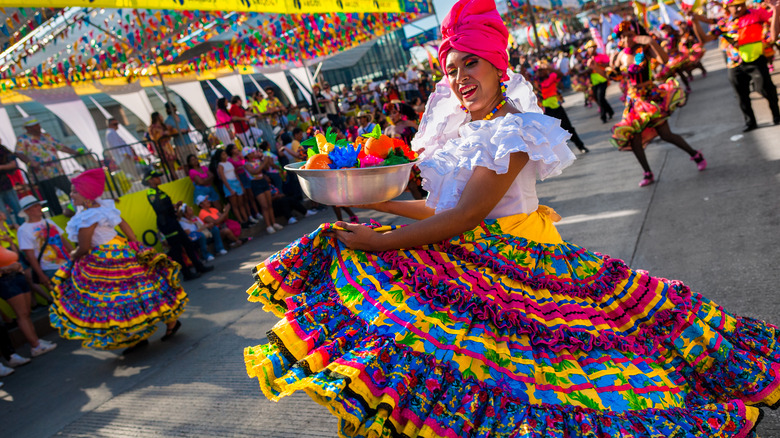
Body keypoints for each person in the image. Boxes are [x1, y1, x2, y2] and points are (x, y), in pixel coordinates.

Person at [242, 1, 780, 437]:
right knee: (464, 375)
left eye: (469, 65)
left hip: (521, 267)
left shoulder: (512, 131)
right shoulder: (465, 134)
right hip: (476, 264)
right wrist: (369, 199)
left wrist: (377, 244)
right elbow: (440, 210)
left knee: (569, 385)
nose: (458, 79)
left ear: (498, 66)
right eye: (451, 70)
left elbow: (467, 216)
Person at [48, 169, 187, 351]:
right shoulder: (102, 208)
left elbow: (84, 247)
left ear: (86, 194)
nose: (71, 195)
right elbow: (123, 224)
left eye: (74, 191)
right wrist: (134, 243)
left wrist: (72, 258)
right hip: (123, 252)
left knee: (113, 301)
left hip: (105, 260)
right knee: (144, 290)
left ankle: (136, 336)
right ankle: (169, 323)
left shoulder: (87, 217)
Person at [611, 20, 707, 187]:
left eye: (629, 35)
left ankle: (695, 154)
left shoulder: (645, 50)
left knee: (665, 134)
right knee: (634, 138)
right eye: (623, 37)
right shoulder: (620, 56)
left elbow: (664, 60)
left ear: (636, 36)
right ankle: (647, 172)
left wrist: (652, 41)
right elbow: (614, 76)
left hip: (650, 97)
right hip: (634, 100)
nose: (626, 39)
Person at [691, 0, 780, 131]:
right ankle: (750, 122)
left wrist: (776, 10)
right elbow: (705, 39)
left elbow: (773, 36)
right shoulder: (724, 22)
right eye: (735, 6)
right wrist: (695, 22)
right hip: (734, 64)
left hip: (756, 60)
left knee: (765, 89)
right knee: (741, 95)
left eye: (742, 5)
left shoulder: (757, 14)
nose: (739, 8)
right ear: (728, 7)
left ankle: (776, 115)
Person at [143, 169, 214, 281]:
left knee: (188, 244)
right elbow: (159, 208)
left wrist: (175, 206)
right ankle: (186, 274)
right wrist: (173, 208)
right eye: (156, 177)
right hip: (166, 224)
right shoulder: (151, 193)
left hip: (173, 221)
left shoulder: (159, 191)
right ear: (151, 180)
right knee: (176, 250)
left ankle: (199, 267)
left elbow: (166, 206)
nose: (159, 178)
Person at [0, 243, 57, 359]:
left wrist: (10, 243)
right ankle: (35, 346)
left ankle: (36, 341)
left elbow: (14, 255)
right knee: (22, 315)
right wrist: (9, 268)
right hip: (7, 281)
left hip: (17, 276)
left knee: (26, 313)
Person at [15, 117, 79, 216]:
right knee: (52, 199)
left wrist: (74, 152)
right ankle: (59, 217)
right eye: (34, 126)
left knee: (71, 191)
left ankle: (77, 210)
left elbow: (60, 146)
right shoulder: (22, 139)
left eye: (38, 125)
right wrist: (30, 162)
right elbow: (19, 153)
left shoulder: (46, 136)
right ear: (28, 128)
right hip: (42, 176)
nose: (37, 128)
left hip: (57, 171)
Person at [17, 196, 73, 291]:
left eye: (39, 205)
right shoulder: (23, 230)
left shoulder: (49, 222)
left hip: (68, 264)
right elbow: (30, 256)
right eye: (35, 206)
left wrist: (75, 257)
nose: (39, 207)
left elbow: (63, 241)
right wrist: (41, 275)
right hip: (51, 269)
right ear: (27, 211)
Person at [536, 64, 589, 154]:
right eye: (539, 70)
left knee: (568, 128)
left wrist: (550, 68)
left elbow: (560, 75)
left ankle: (581, 146)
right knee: (551, 133)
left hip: (557, 107)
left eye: (542, 70)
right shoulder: (536, 82)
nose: (541, 72)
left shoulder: (552, 76)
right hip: (546, 110)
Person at [243, 147, 282, 235]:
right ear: (247, 155)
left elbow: (265, 168)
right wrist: (264, 163)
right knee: (264, 206)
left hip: (263, 181)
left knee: (269, 204)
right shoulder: (246, 164)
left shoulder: (258, 161)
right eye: (251, 153)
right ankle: (268, 226)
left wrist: (266, 160)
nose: (254, 154)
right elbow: (255, 171)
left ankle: (274, 222)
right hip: (255, 184)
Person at [214, 148, 251, 227]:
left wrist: (240, 185)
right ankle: (241, 222)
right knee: (235, 205)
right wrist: (230, 189)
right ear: (219, 156)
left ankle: (246, 219)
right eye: (223, 154)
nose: (225, 155)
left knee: (240, 204)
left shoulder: (229, 163)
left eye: (225, 153)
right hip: (229, 184)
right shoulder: (220, 165)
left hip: (236, 183)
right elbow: (223, 178)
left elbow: (235, 173)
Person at [584, 40, 616, 123]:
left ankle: (603, 117)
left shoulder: (602, 56)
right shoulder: (587, 59)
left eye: (593, 47)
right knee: (599, 99)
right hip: (594, 82)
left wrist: (597, 65)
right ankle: (610, 111)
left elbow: (608, 64)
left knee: (601, 98)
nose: (592, 49)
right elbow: (586, 70)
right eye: (590, 48)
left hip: (603, 79)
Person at [0, 141, 22, 225]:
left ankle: (22, 229)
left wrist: (2, 167)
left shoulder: (2, 149)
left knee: (18, 209)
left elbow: (13, 164)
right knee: (3, 214)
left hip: (5, 185)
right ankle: (10, 234)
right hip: (5, 185)